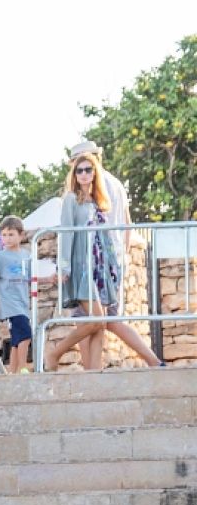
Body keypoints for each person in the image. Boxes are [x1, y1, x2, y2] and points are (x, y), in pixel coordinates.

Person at [44, 150, 162, 371]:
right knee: (97, 320)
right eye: (79, 171)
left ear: (95, 172)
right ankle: (55, 353)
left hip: (101, 268)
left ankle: (94, 372)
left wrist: (114, 267)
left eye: (88, 169)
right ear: (75, 175)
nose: (84, 174)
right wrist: (64, 267)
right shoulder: (71, 199)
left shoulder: (98, 201)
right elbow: (67, 234)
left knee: (100, 324)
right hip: (82, 267)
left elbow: (106, 236)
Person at [0, 216, 42, 373]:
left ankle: (12, 372)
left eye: (11, 234)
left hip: (23, 303)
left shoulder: (26, 255)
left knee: (16, 340)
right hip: (10, 304)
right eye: (4, 235)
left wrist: (49, 278)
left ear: (21, 235)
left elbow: (30, 276)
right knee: (26, 334)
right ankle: (23, 368)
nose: (7, 238)